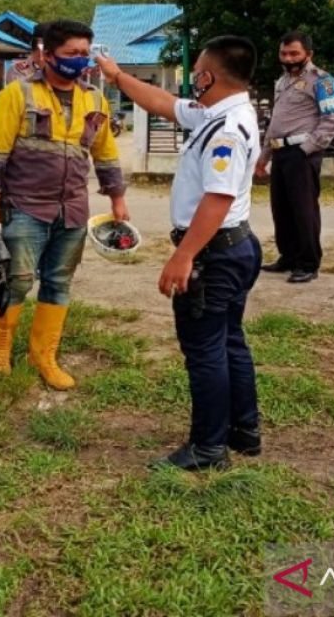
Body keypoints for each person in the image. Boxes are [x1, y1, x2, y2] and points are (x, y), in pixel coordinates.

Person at [96, 36, 263, 472]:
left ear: (209, 76)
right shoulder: (221, 111)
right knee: (229, 342)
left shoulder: (225, 129)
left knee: (205, 350)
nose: (193, 80)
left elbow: (217, 198)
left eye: (198, 72)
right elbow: (163, 103)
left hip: (214, 254)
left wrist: (183, 256)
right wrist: (116, 77)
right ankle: (243, 430)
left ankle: (208, 449)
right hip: (235, 247)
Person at [0, 19, 128, 390]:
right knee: (17, 280)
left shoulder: (94, 98)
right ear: (47, 54)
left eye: (84, 54)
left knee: (58, 282)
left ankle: (43, 355)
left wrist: (118, 199)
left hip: (73, 207)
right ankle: (0, 348)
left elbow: (105, 152)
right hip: (25, 206)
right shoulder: (18, 94)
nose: (79, 61)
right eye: (70, 53)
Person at [257, 31, 334, 283]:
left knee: (303, 210)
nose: (288, 57)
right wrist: (264, 157)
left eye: (294, 53)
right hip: (280, 151)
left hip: (302, 153)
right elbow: (275, 124)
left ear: (308, 54)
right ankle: (289, 257)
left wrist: (306, 150)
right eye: (284, 53)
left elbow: (332, 122)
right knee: (281, 209)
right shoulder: (282, 82)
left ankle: (308, 262)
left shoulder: (323, 81)